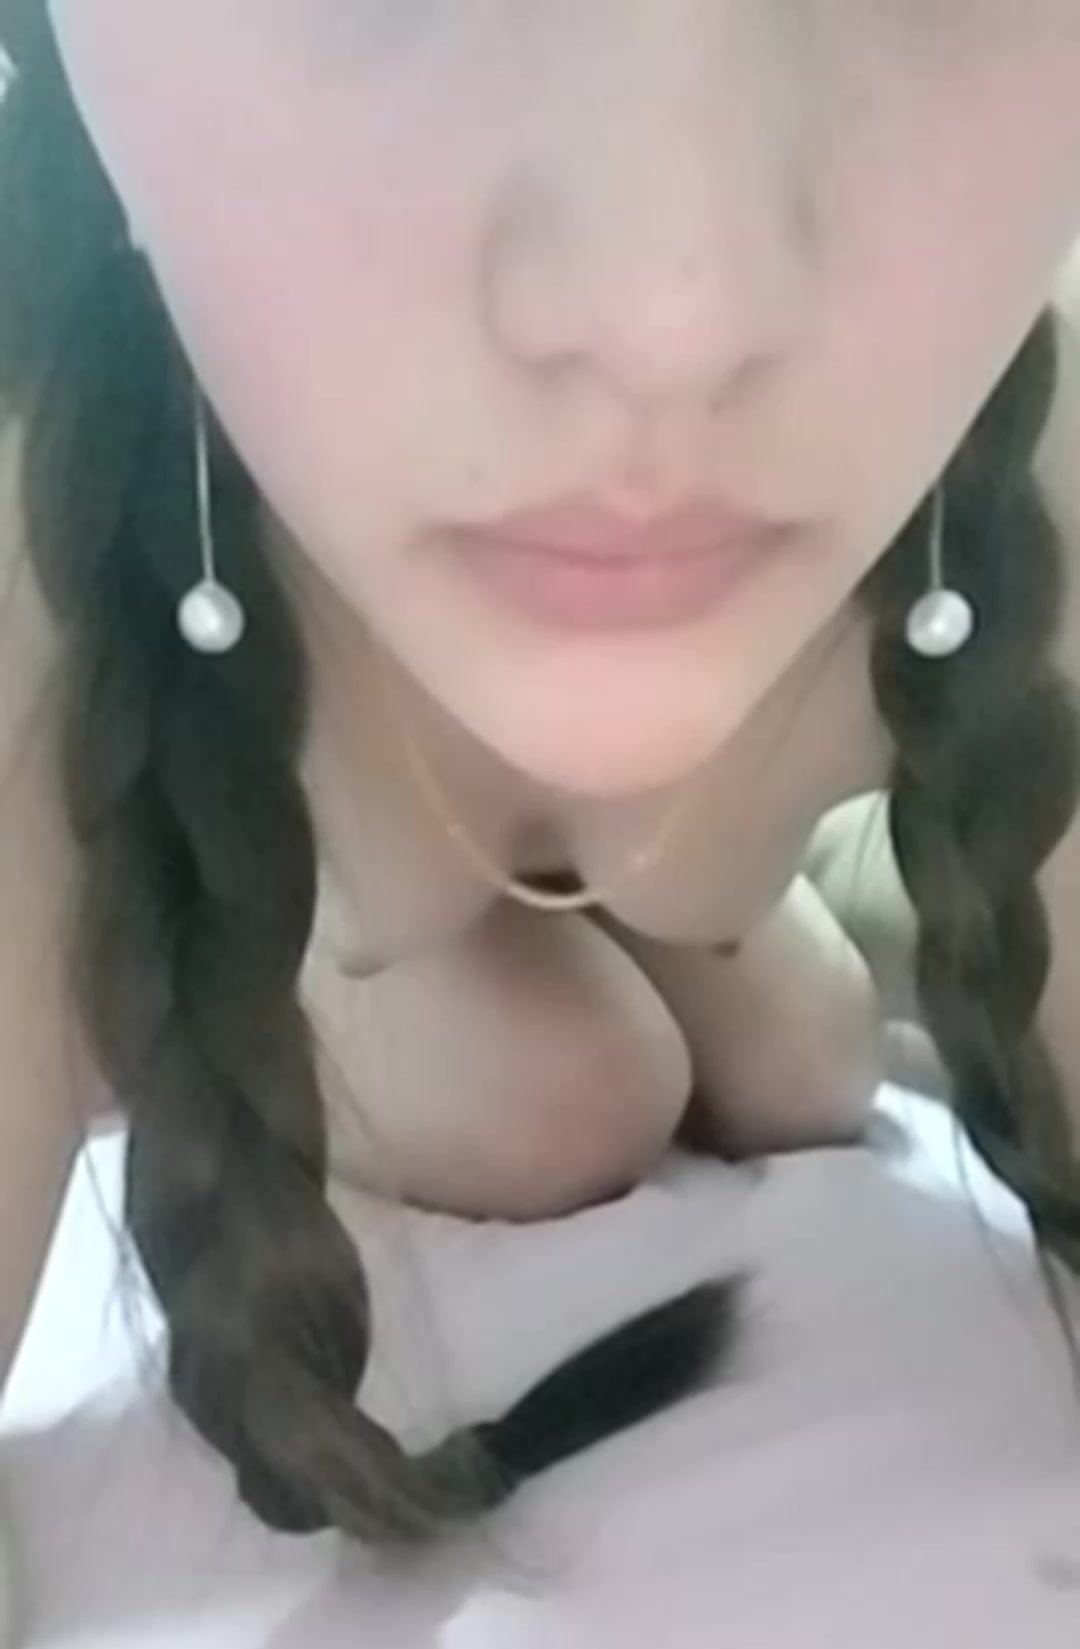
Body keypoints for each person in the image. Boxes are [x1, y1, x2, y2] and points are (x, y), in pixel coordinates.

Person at [1, 1, 1080, 1549]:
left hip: (707, 919)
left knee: (809, 1061)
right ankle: (341, 962)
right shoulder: (51, 534)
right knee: (567, 1097)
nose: (672, 313)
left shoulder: (1035, 483)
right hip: (329, 899)